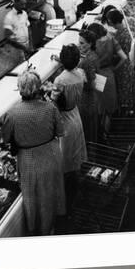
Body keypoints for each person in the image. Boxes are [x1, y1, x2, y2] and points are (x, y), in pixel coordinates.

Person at [2, 70, 66, 236]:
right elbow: (61, 132)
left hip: (29, 161)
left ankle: (35, 228)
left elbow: (6, 138)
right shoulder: (50, 108)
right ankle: (50, 227)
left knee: (33, 197)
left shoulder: (12, 113)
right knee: (50, 192)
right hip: (51, 156)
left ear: (20, 89)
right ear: (38, 88)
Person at [50, 44, 87, 215]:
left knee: (64, 158)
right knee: (75, 153)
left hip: (64, 120)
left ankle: (64, 199)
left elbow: (54, 101)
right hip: (75, 115)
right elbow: (73, 68)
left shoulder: (59, 80)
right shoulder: (80, 74)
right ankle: (76, 188)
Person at [87, 22, 127, 130]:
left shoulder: (92, 44)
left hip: (97, 77)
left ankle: (99, 136)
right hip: (109, 75)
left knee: (99, 108)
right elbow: (124, 57)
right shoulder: (111, 39)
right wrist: (114, 69)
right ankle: (106, 134)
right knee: (108, 110)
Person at [106, 9, 135, 115]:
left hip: (122, 68)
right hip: (125, 67)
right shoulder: (122, 32)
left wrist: (115, 68)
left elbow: (123, 57)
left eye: (109, 20)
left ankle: (128, 112)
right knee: (126, 90)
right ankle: (127, 110)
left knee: (124, 91)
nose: (108, 22)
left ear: (113, 21)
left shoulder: (124, 35)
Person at [77, 29, 100, 143]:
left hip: (86, 100)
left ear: (90, 44)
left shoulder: (86, 61)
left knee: (86, 133)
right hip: (93, 99)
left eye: (82, 43)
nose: (79, 45)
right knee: (91, 131)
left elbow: (91, 84)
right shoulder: (93, 55)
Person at [2, 0, 31, 66]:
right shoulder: (9, 17)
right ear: (15, 2)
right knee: (18, 68)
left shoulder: (24, 13)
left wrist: (31, 45)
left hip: (26, 45)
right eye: (22, 4)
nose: (24, 6)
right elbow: (9, 39)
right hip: (16, 50)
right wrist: (23, 48)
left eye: (25, 4)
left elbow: (28, 28)